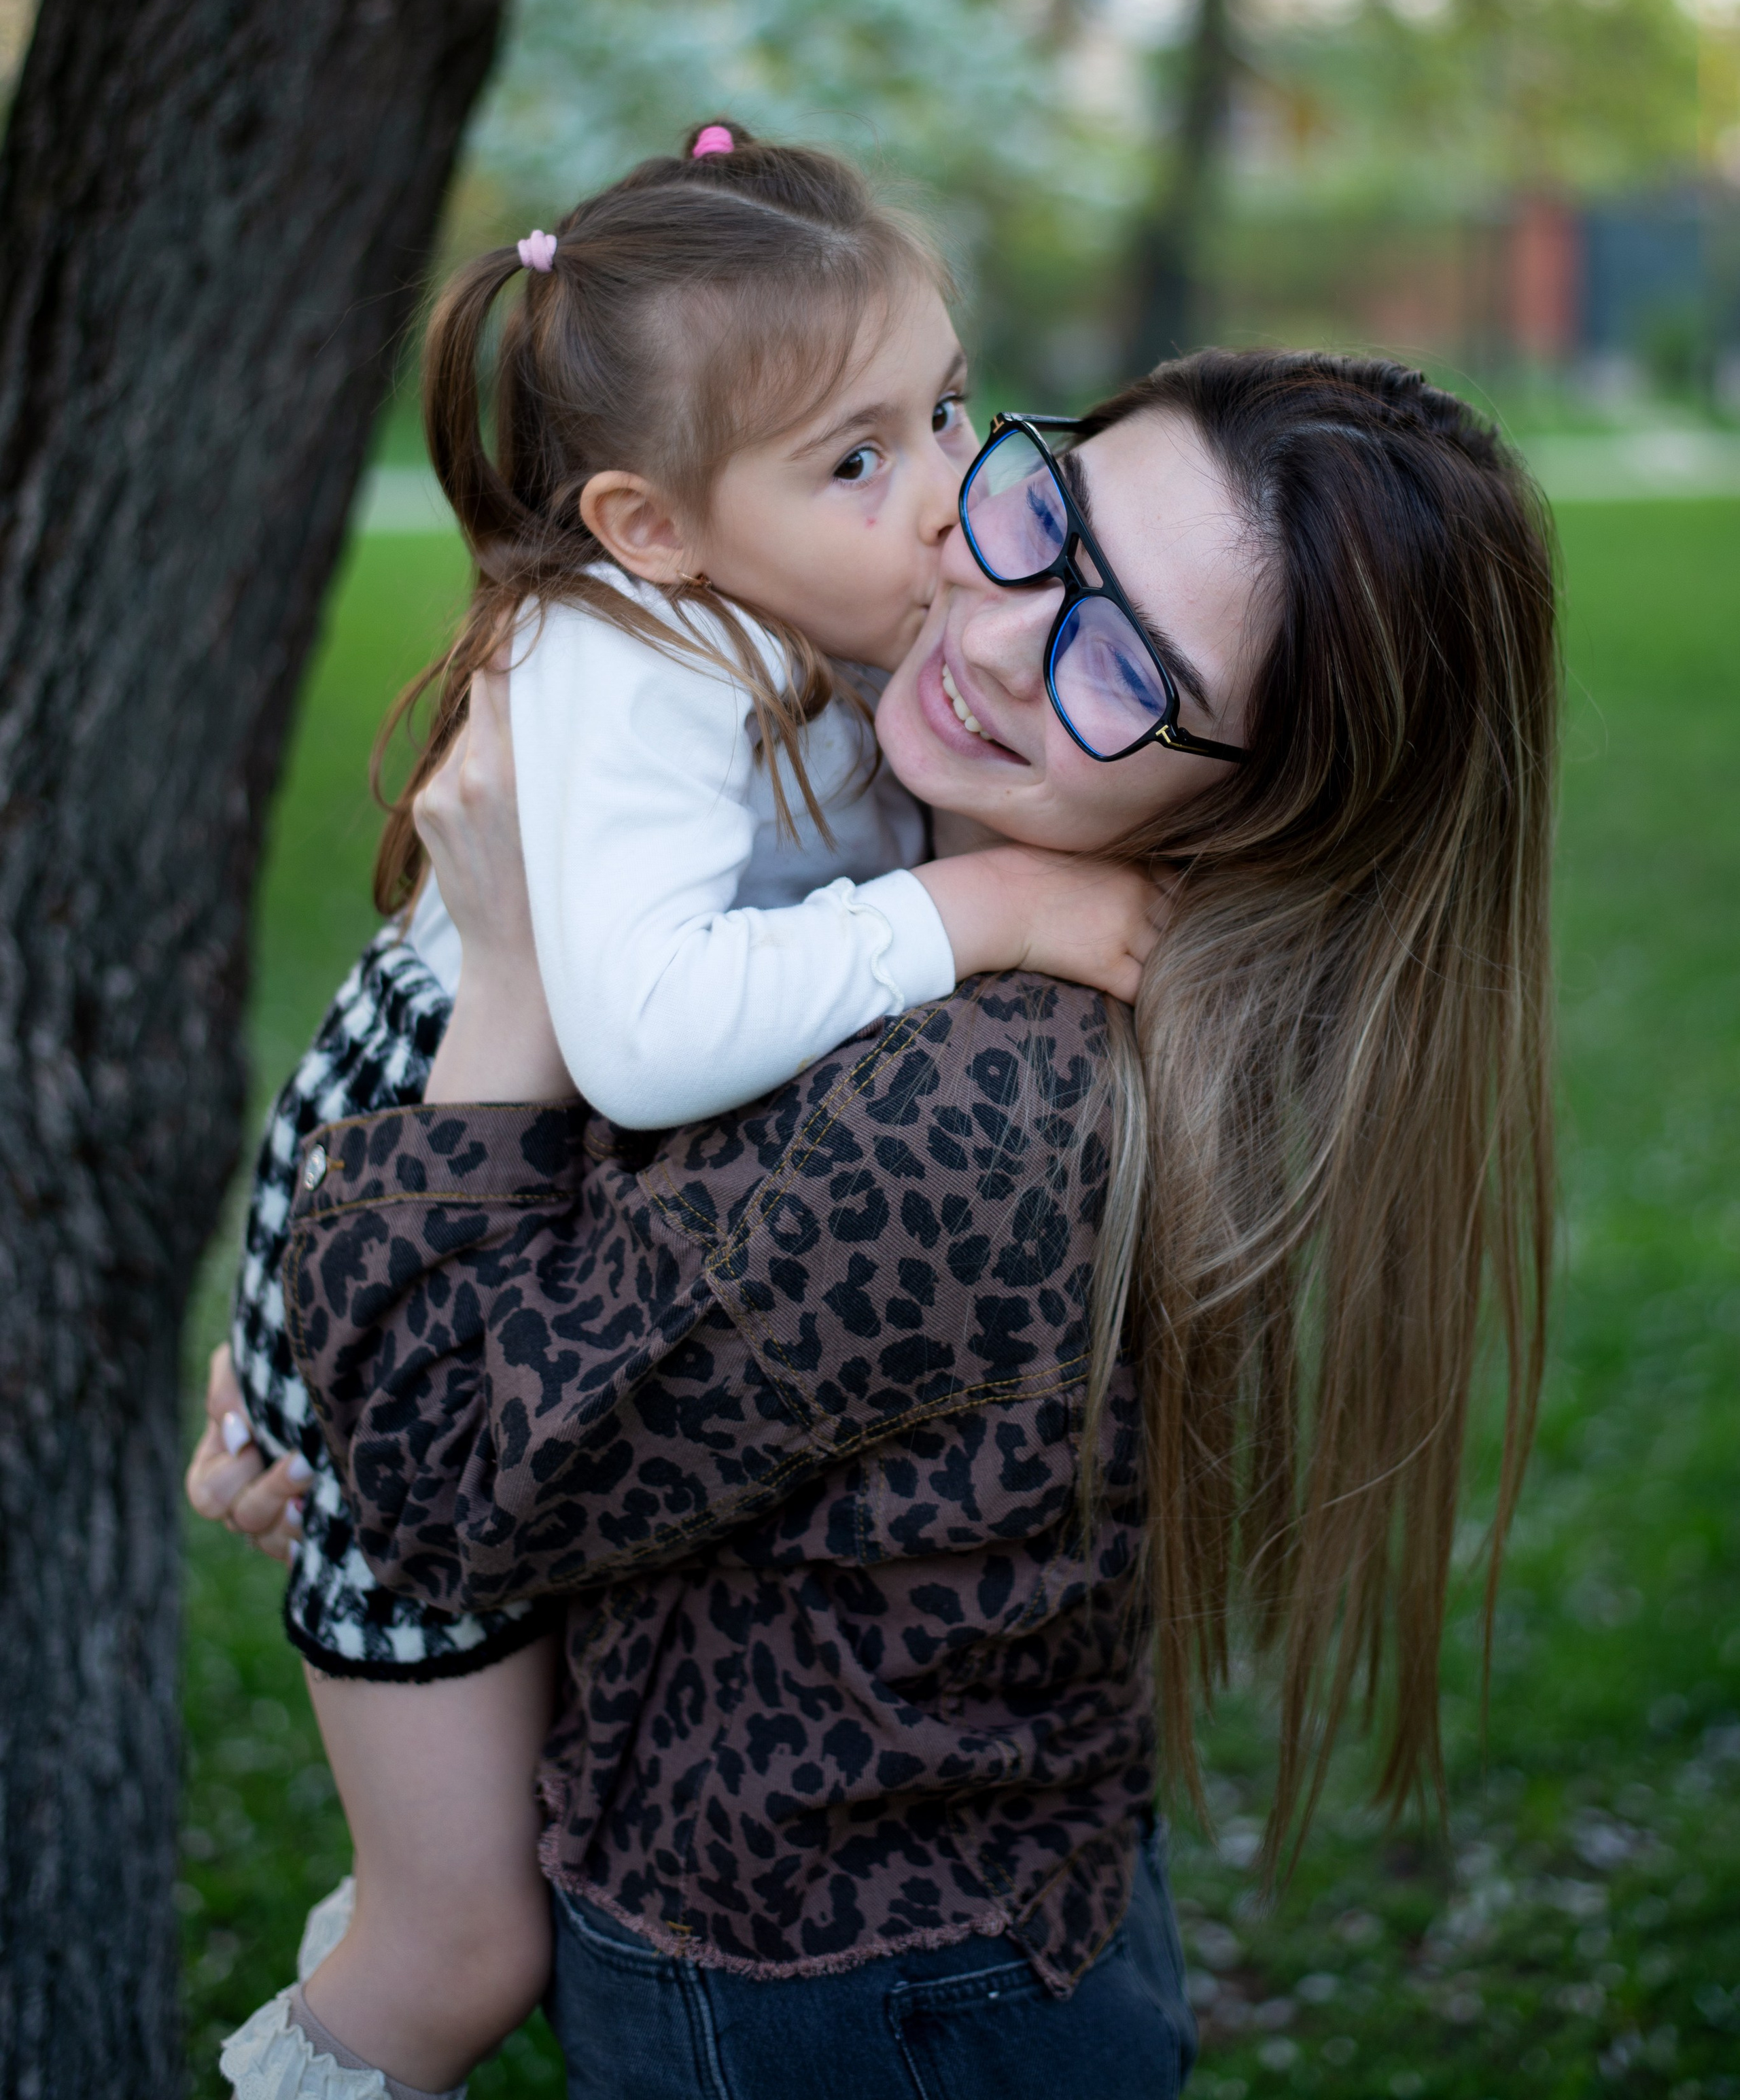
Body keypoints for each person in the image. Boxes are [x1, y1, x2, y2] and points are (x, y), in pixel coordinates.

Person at [192, 347, 1561, 2099]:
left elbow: (456, 1482)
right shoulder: (931, 836)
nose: (996, 637)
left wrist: (521, 971)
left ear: (1270, 795)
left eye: (1127, 665)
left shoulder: (977, 1115)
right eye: (1040, 519)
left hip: (839, 2018)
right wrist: (295, 1367)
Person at [207, 124, 1160, 2100]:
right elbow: (634, 1038)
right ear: (649, 522)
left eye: (949, 407)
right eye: (857, 456)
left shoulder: (798, 616)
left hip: (520, 1192)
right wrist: (977, 905)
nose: (944, 500)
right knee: (454, 1940)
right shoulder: (631, 661)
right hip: (438, 1153)